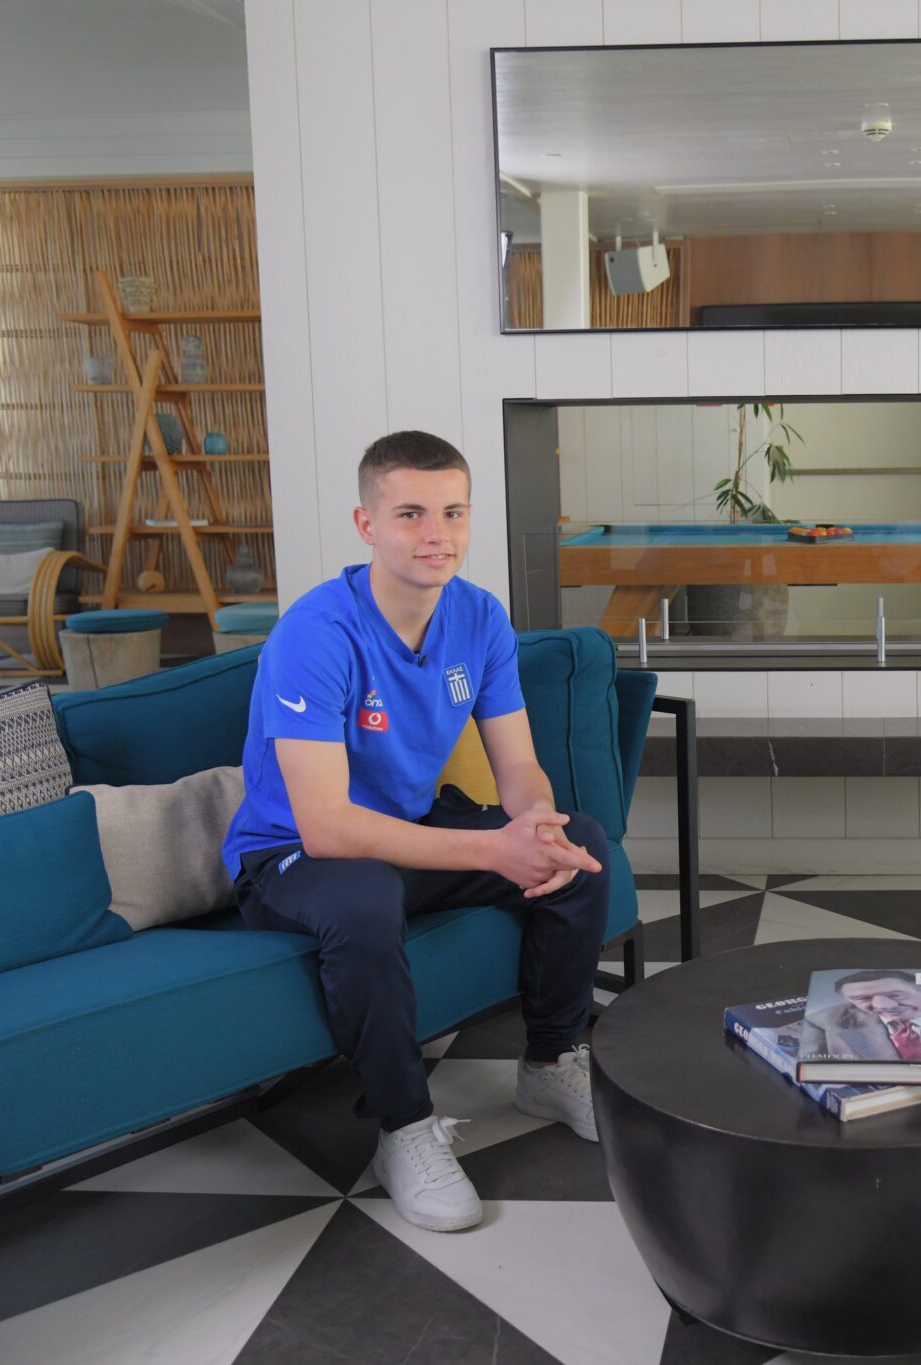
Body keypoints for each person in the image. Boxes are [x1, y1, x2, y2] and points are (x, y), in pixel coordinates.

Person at [222, 430, 611, 1234]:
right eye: (410, 514)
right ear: (367, 524)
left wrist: (536, 824)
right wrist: (494, 848)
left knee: (582, 847)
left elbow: (518, 766)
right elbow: (327, 826)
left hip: (408, 828)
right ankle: (402, 1128)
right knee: (365, 898)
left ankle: (549, 1061)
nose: (437, 534)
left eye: (453, 512)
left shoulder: (479, 616)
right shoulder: (315, 633)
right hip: (290, 853)